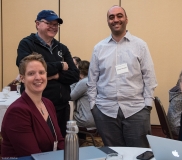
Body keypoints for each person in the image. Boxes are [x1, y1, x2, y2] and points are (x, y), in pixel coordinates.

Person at [87, 5, 157, 147]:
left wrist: (147, 105)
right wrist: (93, 105)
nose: (115, 20)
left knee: (140, 153)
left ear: (126, 19)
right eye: (111, 17)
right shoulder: (99, 48)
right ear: (107, 21)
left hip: (136, 109)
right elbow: (92, 79)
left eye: (119, 16)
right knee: (114, 154)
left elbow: (149, 76)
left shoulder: (140, 45)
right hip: (105, 111)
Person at [16, 10, 79, 137]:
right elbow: (27, 67)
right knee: (39, 143)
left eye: (56, 25)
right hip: (35, 106)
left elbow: (74, 75)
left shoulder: (62, 48)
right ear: (37, 24)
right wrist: (60, 65)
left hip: (61, 107)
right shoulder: (27, 44)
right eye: (49, 23)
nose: (53, 27)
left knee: (60, 143)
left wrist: (55, 75)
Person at [1, 53, 64, 157]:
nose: (38, 77)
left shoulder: (48, 103)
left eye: (41, 72)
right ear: (22, 78)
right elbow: (33, 155)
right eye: (31, 73)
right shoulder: (17, 111)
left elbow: (59, 140)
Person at [70, 60, 95, 129]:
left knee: (65, 114)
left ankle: (69, 138)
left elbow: (70, 96)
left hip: (86, 119)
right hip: (97, 119)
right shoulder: (94, 80)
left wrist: (74, 81)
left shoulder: (84, 82)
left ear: (80, 71)